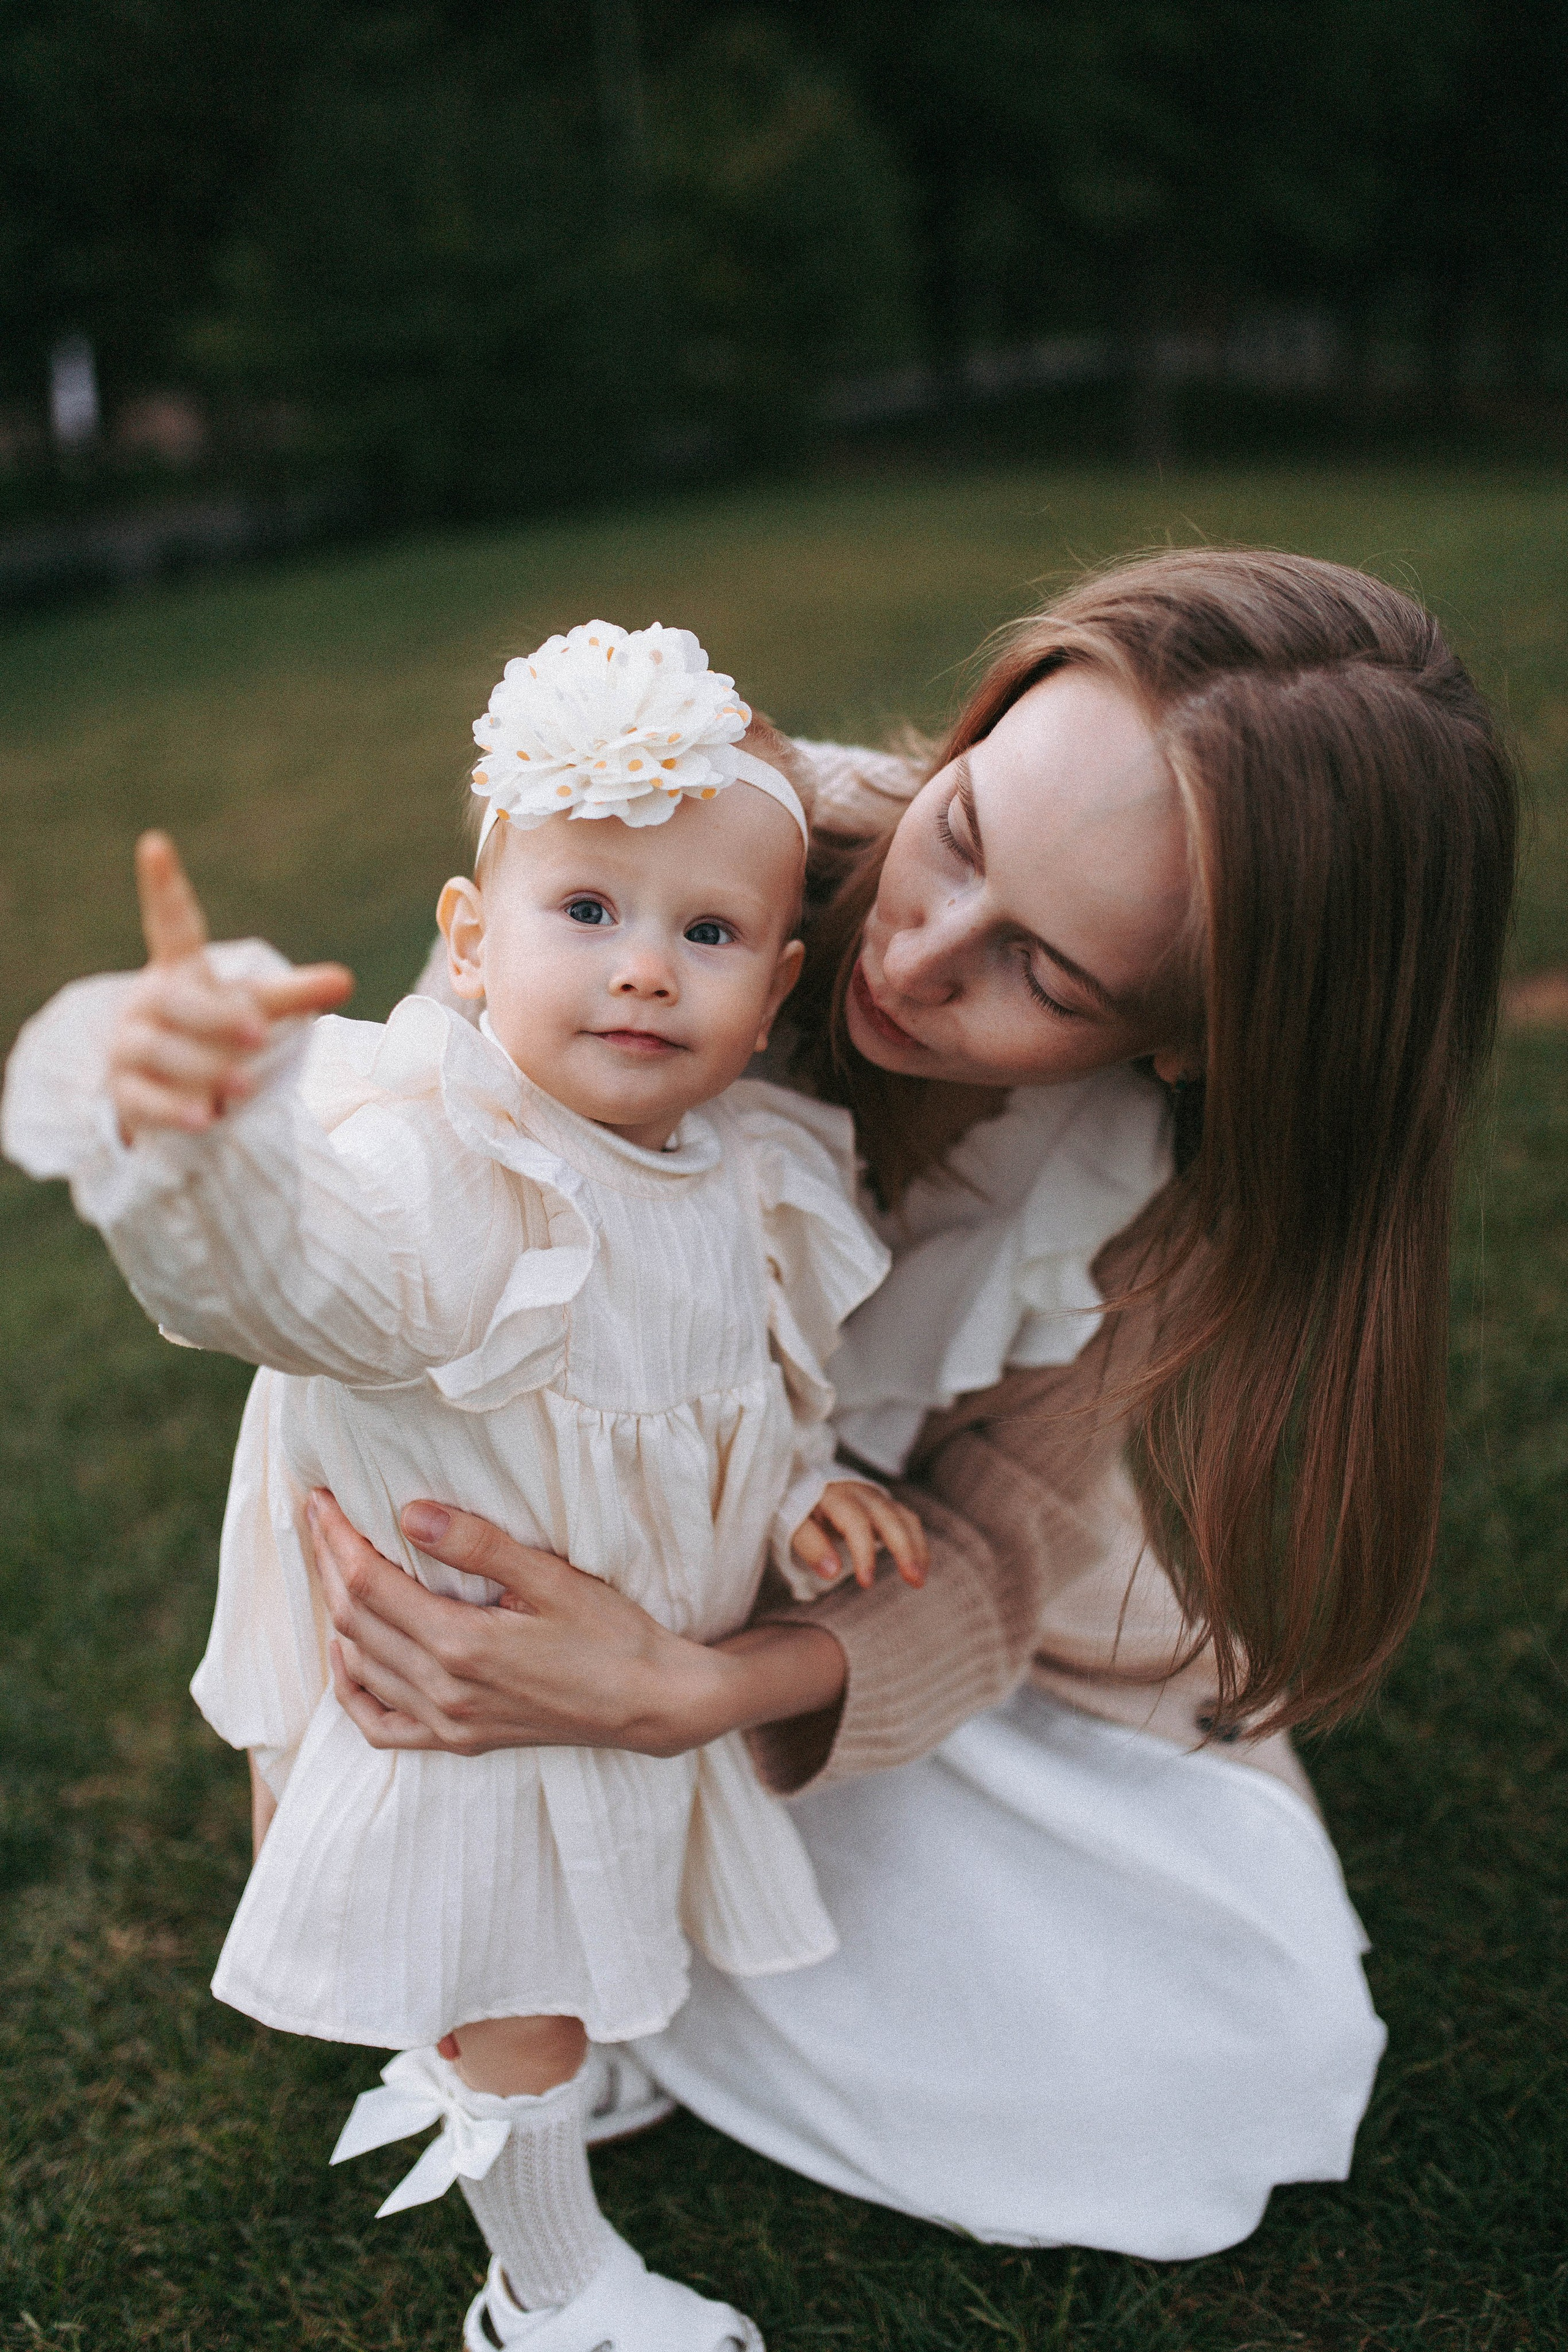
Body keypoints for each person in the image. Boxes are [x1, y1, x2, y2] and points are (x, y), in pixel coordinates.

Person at [300, 549, 1517, 2262]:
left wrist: (689, 1690)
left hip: (823, 1634)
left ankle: (647, 1916)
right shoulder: (661, 854)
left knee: (1232, 2045)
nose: (916, 953)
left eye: (1049, 976)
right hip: (546, 1555)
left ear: (1192, 1041)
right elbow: (390, 1293)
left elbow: (1000, 1545)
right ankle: (550, 1952)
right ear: (981, 724)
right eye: (960, 833)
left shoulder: (1147, 1179)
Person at [1, 621, 929, 2352]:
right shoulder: (443, 1165)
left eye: (707, 934)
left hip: (614, 1667)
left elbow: (738, 1385)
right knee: (516, 1996)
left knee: (575, 1924)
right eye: (587, 909)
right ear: (471, 937)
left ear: (777, 985)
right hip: (465, 1685)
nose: (644, 970)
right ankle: (547, 2291)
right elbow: (287, 1279)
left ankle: (539, 2052)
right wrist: (204, 1140)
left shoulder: (750, 1171)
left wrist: (796, 1489)